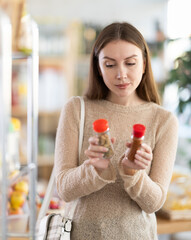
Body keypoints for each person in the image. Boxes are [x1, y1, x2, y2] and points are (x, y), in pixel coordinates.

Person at [54, 22, 178, 240]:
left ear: (144, 64)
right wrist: (94, 169)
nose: (121, 74)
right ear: (99, 68)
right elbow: (63, 189)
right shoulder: (76, 109)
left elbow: (154, 203)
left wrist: (133, 173)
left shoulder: (163, 120)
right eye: (110, 65)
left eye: (130, 63)